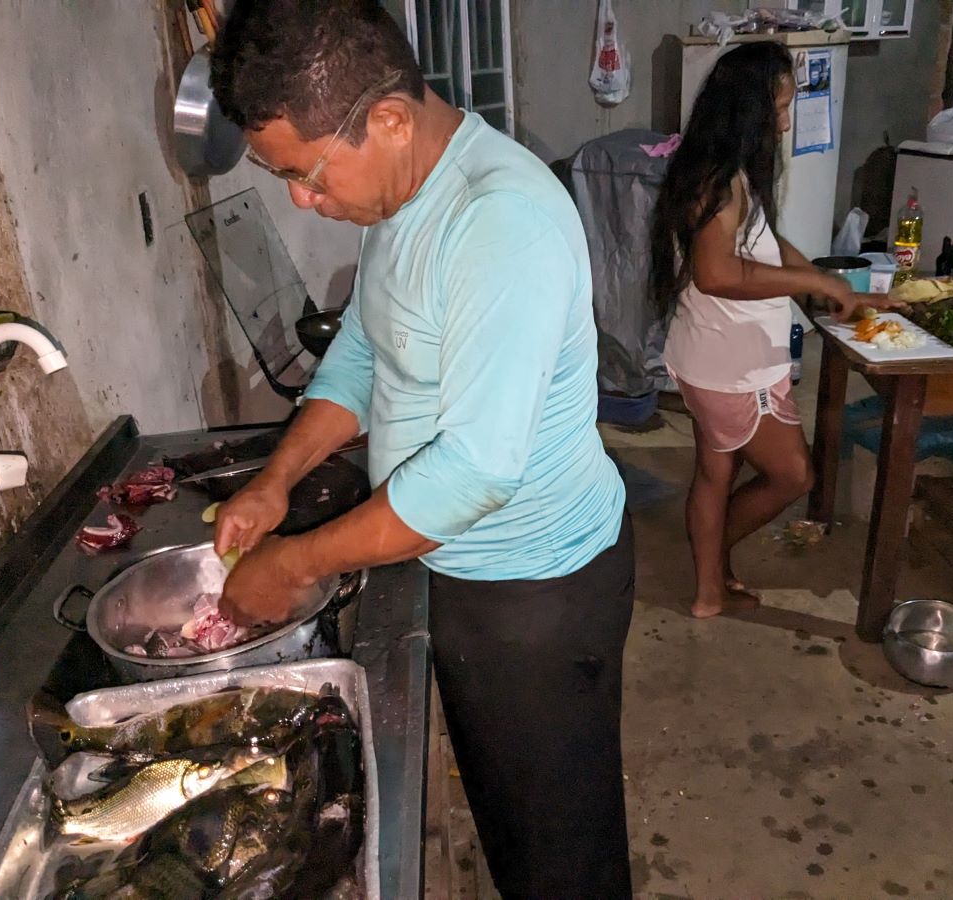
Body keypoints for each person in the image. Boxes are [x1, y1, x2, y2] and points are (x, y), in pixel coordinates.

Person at [209, 2, 634, 897]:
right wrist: (276, 484)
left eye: (306, 172)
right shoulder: (400, 196)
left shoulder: (498, 223)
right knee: (505, 810)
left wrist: (293, 565)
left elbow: (477, 470)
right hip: (452, 563)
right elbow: (364, 352)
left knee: (561, 850)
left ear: (391, 120)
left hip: (535, 592)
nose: (300, 198)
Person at [650, 42, 897, 620]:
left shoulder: (729, 169)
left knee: (717, 472)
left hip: (713, 354)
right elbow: (717, 273)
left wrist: (819, 281)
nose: (786, 122)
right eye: (779, 108)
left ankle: (710, 583)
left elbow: (762, 242)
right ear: (748, 109)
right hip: (729, 364)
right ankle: (710, 572)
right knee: (792, 474)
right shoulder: (716, 180)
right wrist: (822, 287)